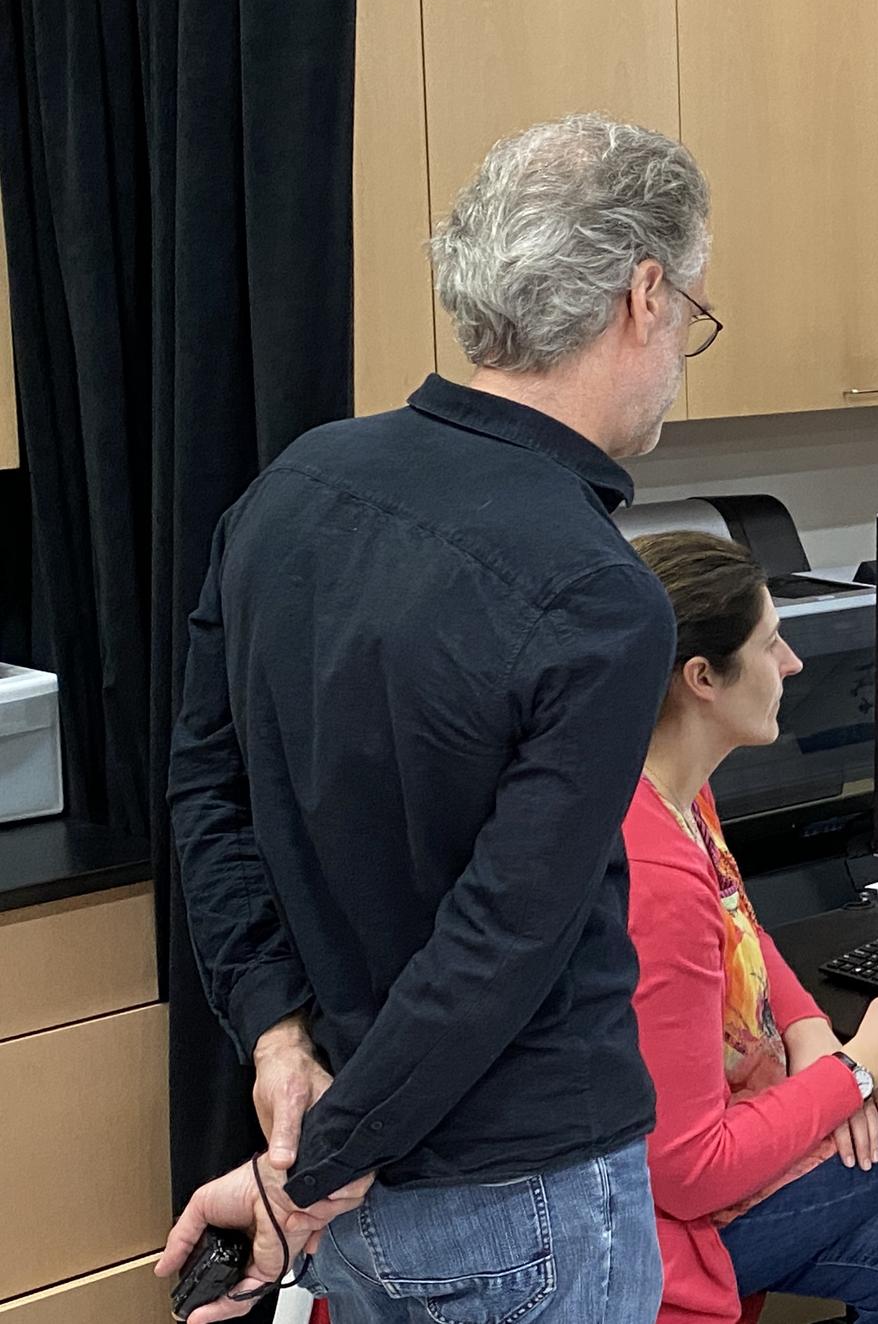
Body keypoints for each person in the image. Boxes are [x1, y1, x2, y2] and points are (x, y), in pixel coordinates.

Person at [164, 114, 719, 1320]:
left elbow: (206, 797)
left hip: (344, 1157)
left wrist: (274, 1040)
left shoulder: (293, 488)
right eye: (689, 314)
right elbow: (499, 945)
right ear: (642, 295)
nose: (681, 348)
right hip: (522, 1197)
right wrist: (304, 1181)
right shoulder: (598, 594)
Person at [624, 531, 878, 1324]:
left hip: (734, 1141)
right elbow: (688, 1171)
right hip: (663, 1232)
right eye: (771, 644)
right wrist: (861, 1070)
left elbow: (739, 922)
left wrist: (811, 1032)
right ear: (702, 678)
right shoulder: (651, 874)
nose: (794, 664)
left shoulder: (672, 786)